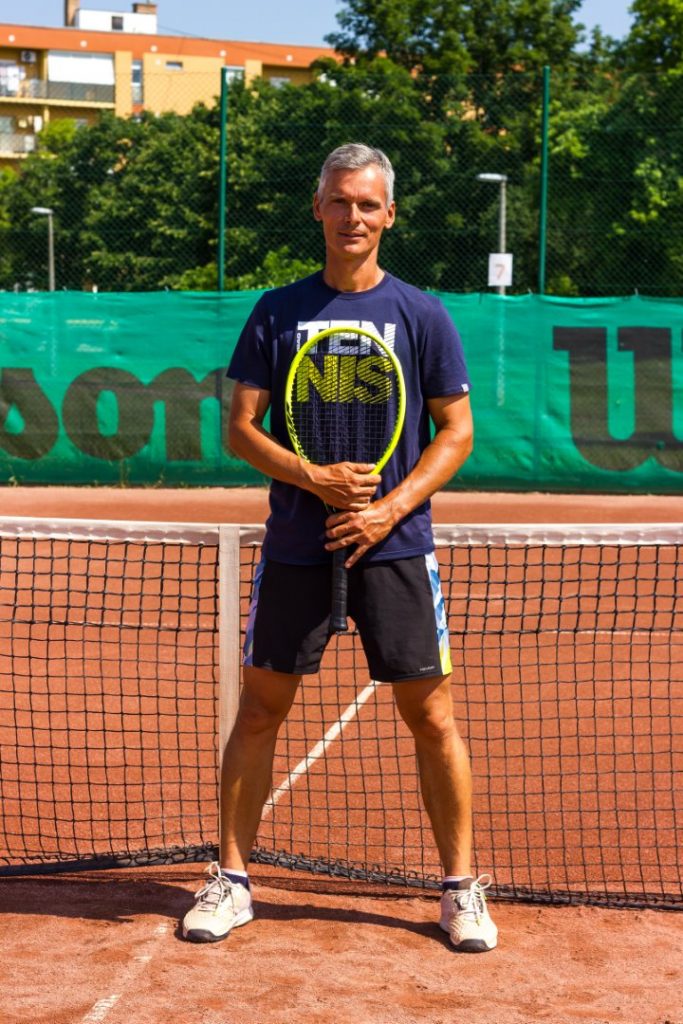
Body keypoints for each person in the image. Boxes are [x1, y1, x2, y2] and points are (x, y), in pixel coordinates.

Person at [182, 143, 498, 953]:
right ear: (317, 208)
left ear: (388, 214)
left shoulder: (421, 315)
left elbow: (456, 432)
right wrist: (312, 478)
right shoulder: (277, 311)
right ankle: (231, 880)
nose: (351, 216)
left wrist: (385, 509)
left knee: (430, 716)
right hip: (296, 544)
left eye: (366, 203)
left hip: (396, 549)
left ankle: (460, 889)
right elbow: (241, 428)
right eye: (338, 201)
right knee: (259, 710)